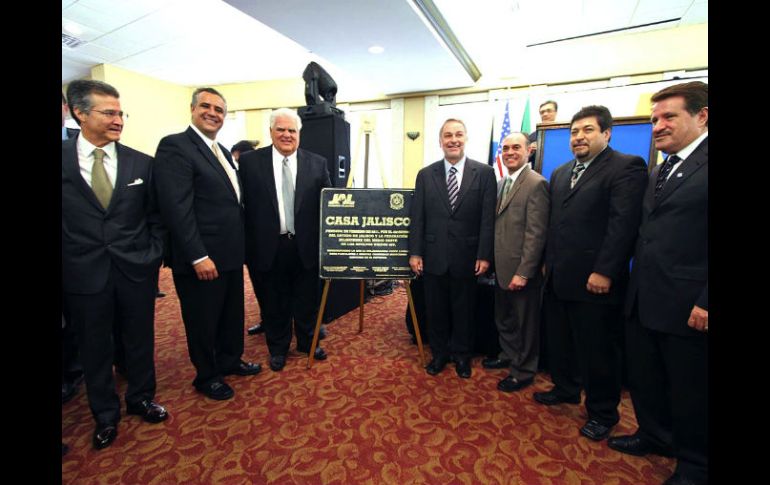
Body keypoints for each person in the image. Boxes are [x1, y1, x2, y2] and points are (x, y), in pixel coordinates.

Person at [607, 82, 708, 485]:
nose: (658, 126)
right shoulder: (660, 168)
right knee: (647, 377)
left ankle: (696, 464)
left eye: (669, 117)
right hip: (645, 296)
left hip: (689, 304)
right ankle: (653, 435)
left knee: (691, 389)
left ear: (702, 116)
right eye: (654, 119)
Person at [62, 80, 168, 450]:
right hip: (82, 273)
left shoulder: (142, 163)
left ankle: (140, 399)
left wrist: (153, 253)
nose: (118, 119)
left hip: (135, 269)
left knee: (139, 339)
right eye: (108, 112)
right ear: (79, 113)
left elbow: (156, 216)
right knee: (94, 347)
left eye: (120, 112)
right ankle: (105, 416)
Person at [533, 105, 647, 441]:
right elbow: (556, 224)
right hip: (558, 276)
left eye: (588, 130)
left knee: (598, 351)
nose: (579, 137)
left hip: (596, 282)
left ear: (606, 134)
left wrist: (605, 271)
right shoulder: (561, 172)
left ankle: (602, 412)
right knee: (561, 341)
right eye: (574, 132)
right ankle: (565, 388)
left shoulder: (626, 167)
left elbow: (622, 226)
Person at [153, 87, 261, 400]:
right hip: (201, 257)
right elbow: (176, 207)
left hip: (228, 254)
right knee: (203, 319)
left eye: (219, 109)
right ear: (192, 109)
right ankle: (206, 375)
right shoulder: (175, 147)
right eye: (206, 106)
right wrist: (198, 255)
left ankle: (229, 360)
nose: (213, 113)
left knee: (230, 313)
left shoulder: (222, 151)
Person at [239, 108, 331, 371]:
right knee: (273, 301)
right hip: (268, 246)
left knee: (307, 300)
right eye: (281, 129)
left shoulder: (317, 163)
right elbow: (240, 206)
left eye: (292, 130)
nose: (286, 135)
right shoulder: (249, 163)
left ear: (299, 133)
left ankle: (307, 343)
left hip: (307, 246)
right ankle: (278, 348)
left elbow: (330, 206)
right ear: (270, 132)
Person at [408, 118, 496, 379]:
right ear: (440, 141)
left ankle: (461, 356)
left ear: (466, 138)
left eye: (458, 134)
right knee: (436, 310)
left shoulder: (485, 173)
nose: (453, 140)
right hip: (433, 256)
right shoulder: (426, 175)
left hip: (468, 257)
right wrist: (415, 252)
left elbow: (487, 219)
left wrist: (484, 254)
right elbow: (418, 218)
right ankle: (439, 355)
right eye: (448, 135)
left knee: (464, 310)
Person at [482, 132, 549, 392]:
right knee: (505, 318)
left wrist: (524, 272)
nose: (510, 152)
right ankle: (509, 355)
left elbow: (537, 233)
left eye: (516, 148)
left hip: (521, 271)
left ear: (529, 150)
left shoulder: (536, 184)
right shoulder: (500, 183)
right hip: (501, 267)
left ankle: (523, 371)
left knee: (525, 324)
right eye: (506, 148)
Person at [528, 100, 558, 166]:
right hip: (538, 174)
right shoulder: (532, 137)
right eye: (542, 112)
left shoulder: (565, 134)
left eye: (549, 111)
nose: (545, 114)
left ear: (556, 112)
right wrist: (529, 152)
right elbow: (524, 161)